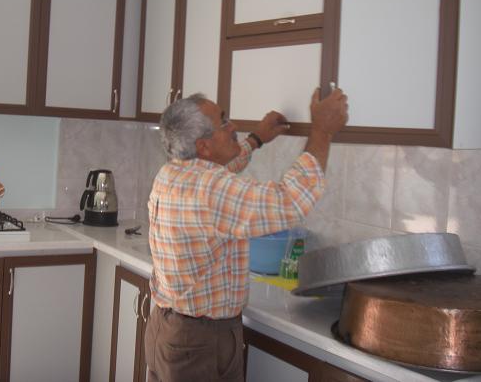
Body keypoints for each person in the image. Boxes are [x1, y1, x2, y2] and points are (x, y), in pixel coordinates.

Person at [144, 87, 349, 382]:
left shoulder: (173, 173)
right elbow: (290, 201)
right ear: (203, 146)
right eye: (224, 122)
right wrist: (322, 131)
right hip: (199, 343)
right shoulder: (210, 188)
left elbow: (225, 166)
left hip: (168, 331)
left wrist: (256, 139)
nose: (234, 126)